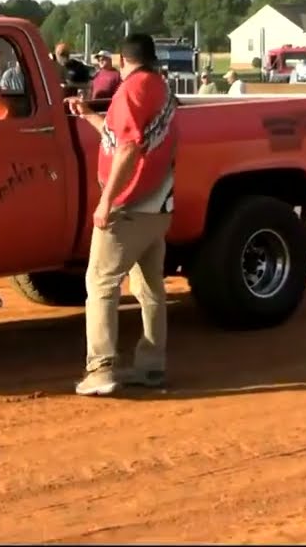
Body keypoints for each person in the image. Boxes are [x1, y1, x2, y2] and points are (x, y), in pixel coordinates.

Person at [64, 33, 178, 397]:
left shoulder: (129, 91)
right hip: (158, 206)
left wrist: (106, 202)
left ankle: (100, 369)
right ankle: (151, 366)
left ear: (122, 60)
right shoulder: (160, 88)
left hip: (128, 207)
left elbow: (127, 149)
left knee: (101, 284)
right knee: (149, 288)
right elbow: (122, 137)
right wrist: (90, 116)